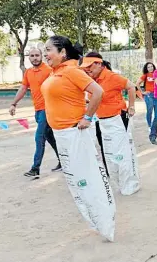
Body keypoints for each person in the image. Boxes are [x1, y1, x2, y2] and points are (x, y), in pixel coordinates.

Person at [40, 36, 114, 240]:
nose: (45, 54)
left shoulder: (72, 71)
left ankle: (106, 224)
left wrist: (87, 117)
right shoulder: (56, 72)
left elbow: (97, 92)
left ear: (62, 52)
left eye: (48, 50)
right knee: (78, 182)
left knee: (90, 179)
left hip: (75, 133)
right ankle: (96, 222)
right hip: (61, 135)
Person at [80, 52, 136, 179]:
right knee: (107, 151)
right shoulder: (91, 81)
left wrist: (131, 106)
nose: (87, 70)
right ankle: (113, 177)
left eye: (90, 66)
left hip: (118, 119)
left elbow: (131, 87)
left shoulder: (112, 77)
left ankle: (128, 180)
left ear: (99, 64)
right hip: (101, 121)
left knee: (121, 151)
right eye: (86, 67)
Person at [9, 47, 61, 178]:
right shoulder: (28, 72)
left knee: (39, 137)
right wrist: (13, 103)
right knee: (49, 137)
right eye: (32, 55)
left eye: (37, 55)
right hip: (37, 110)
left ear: (41, 56)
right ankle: (63, 160)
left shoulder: (49, 70)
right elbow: (23, 88)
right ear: (29, 58)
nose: (35, 58)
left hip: (48, 109)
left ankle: (35, 168)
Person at [136, 62, 156, 130]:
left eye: (151, 66)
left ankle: (156, 124)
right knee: (149, 111)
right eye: (148, 67)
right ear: (146, 69)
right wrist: (142, 92)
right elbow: (137, 83)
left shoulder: (156, 74)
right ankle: (149, 125)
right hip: (149, 95)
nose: (150, 68)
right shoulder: (146, 75)